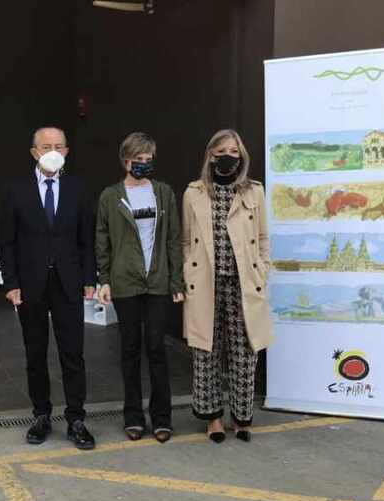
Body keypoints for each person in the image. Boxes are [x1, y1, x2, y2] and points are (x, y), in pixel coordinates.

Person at [0, 126, 97, 450]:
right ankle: (41, 415)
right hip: (31, 284)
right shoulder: (16, 190)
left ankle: (76, 418)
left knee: (73, 354)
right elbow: (7, 241)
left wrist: (89, 278)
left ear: (66, 151)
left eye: (58, 146)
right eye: (45, 146)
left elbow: (86, 238)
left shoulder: (78, 188)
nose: (52, 151)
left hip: (69, 283)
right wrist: (11, 283)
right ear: (34, 152)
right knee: (35, 353)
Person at [181, 129, 274, 443]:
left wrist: (262, 270)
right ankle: (213, 419)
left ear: (241, 155)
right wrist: (188, 272)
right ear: (210, 155)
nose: (228, 157)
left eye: (234, 151)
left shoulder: (254, 191)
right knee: (206, 352)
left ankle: (242, 416)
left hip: (243, 284)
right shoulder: (193, 192)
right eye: (221, 151)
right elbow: (185, 240)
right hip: (205, 283)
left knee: (244, 352)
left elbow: (262, 237)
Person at [95, 132, 184, 443]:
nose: (144, 164)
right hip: (125, 281)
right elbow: (102, 240)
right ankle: (133, 416)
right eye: (138, 159)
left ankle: (162, 417)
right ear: (126, 161)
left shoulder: (163, 193)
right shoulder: (110, 196)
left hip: (157, 280)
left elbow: (173, 238)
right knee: (130, 348)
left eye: (148, 159)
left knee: (156, 347)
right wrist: (104, 279)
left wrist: (176, 280)